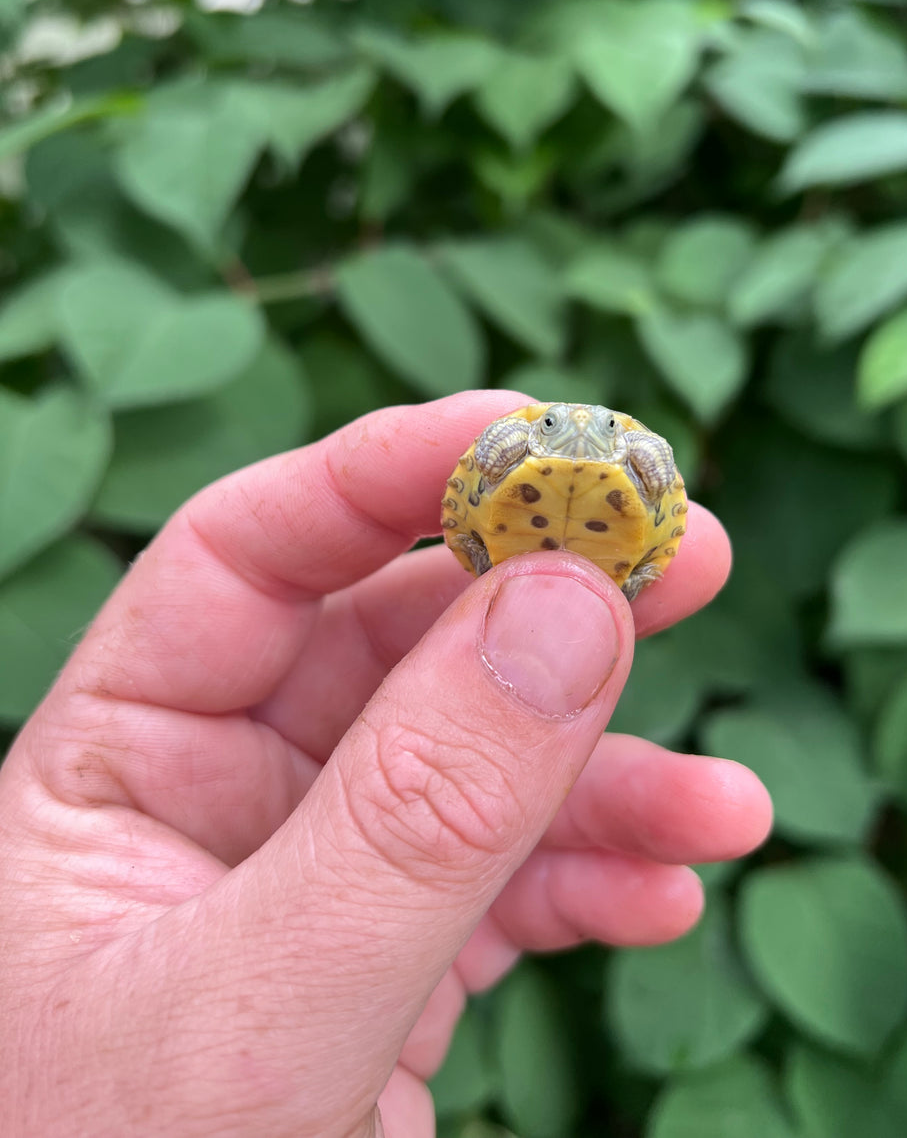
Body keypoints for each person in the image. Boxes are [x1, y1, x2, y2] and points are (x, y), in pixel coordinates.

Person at [0, 391, 772, 1137]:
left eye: (597, 424)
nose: (581, 430)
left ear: (616, 435)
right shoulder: (519, 444)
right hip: (520, 556)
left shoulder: (634, 455)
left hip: (581, 559)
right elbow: (483, 474)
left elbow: (656, 488)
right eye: (567, 422)